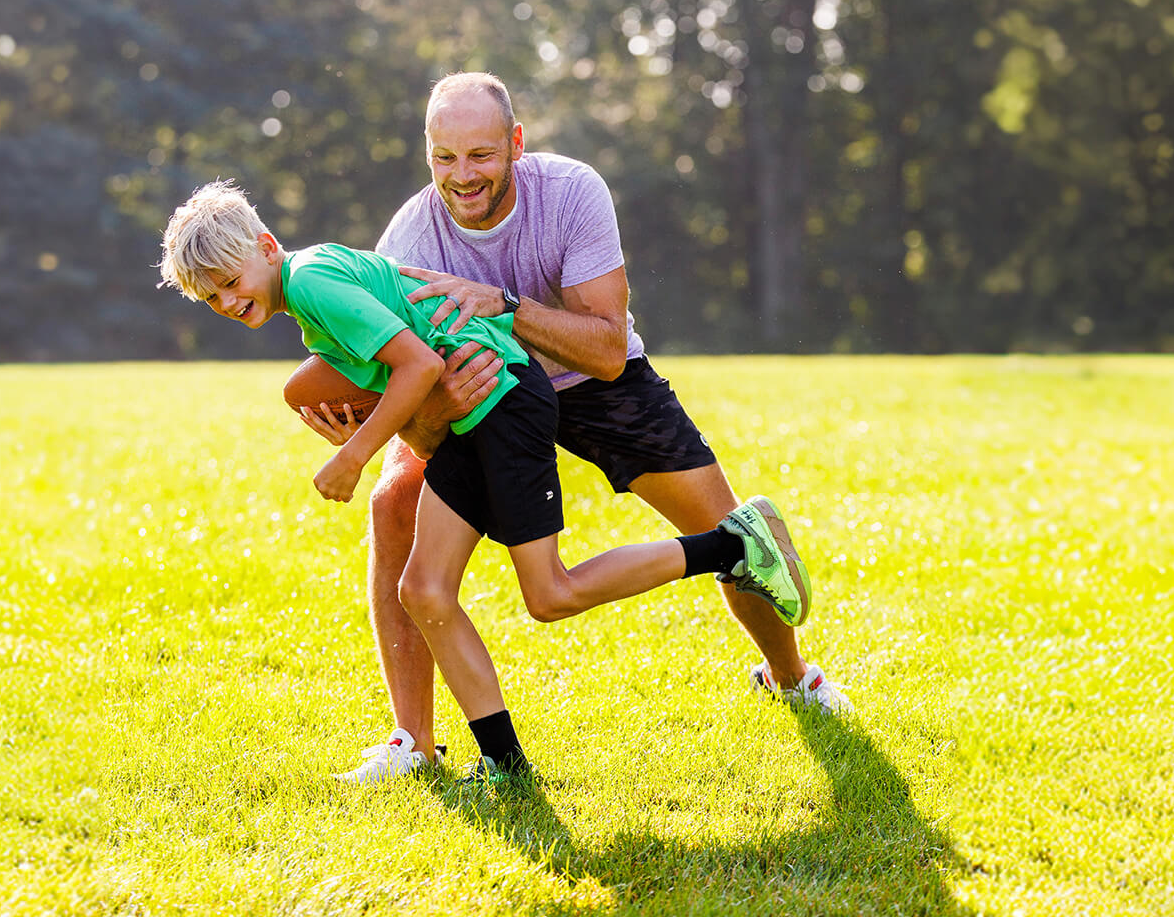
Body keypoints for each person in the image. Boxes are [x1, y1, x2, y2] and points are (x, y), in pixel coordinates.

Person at [158, 181, 811, 788]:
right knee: (424, 589)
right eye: (210, 297)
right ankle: (506, 768)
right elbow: (407, 373)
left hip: (504, 401)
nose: (227, 301)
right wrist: (340, 416)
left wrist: (354, 455)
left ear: (267, 248)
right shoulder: (309, 297)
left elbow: (416, 367)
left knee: (550, 594)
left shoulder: (313, 281)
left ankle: (730, 547)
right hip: (476, 413)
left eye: (230, 281)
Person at [314, 72, 852, 787]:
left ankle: (791, 677)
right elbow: (413, 408)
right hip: (487, 399)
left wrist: (503, 306)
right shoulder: (408, 240)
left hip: (590, 379)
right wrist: (388, 425)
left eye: (479, 155)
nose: (462, 176)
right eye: (444, 158)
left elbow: (604, 349)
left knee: (724, 524)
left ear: (515, 144)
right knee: (392, 504)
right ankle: (412, 741)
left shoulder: (571, 192)